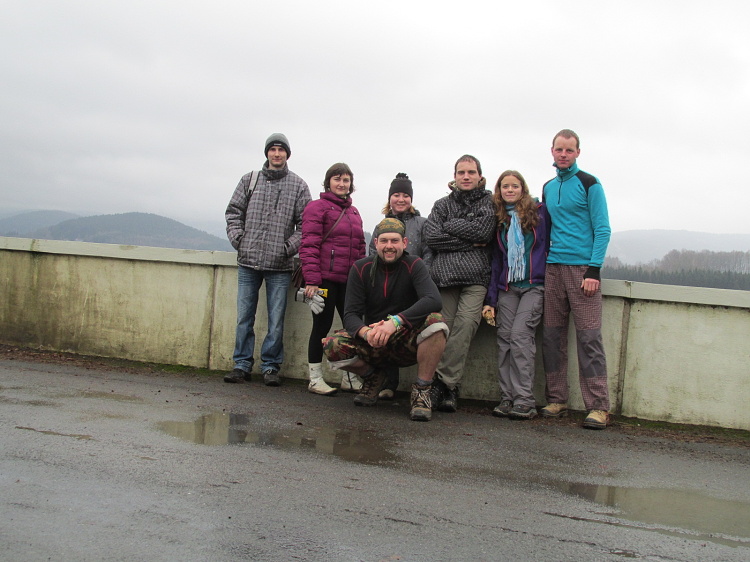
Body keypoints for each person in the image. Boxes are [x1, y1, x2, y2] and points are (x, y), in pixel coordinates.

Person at [322, 218, 448, 421]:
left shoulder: (414, 265)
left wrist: (395, 322)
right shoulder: (360, 268)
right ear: (376, 243)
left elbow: (433, 299)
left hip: (405, 340)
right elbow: (350, 314)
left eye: (394, 241)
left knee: (437, 324)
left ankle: (422, 391)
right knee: (332, 345)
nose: (389, 246)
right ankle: (373, 377)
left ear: (404, 243)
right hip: (373, 341)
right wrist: (366, 333)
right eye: (384, 241)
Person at [224, 133, 312, 386]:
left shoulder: (298, 185)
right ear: (267, 153)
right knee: (244, 318)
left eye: (281, 150)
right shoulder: (249, 180)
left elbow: (305, 225)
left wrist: (286, 249)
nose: (276, 154)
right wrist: (239, 240)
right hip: (248, 262)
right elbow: (233, 213)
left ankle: (271, 367)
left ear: (287, 154)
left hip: (280, 266)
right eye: (272, 149)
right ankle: (241, 365)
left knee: (276, 321)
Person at [541, 129, 612, 429]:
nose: (563, 154)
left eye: (569, 150)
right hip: (553, 269)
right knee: (552, 337)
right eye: (559, 149)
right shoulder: (548, 187)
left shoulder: (589, 183)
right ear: (552, 151)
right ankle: (557, 399)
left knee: (588, 338)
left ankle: (599, 407)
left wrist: (594, 270)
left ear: (578, 153)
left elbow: (603, 228)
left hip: (582, 270)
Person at [424, 155, 496, 412]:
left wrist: (451, 225)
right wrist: (470, 241)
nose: (466, 176)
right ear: (454, 176)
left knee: (465, 326)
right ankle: (449, 389)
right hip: (444, 278)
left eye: (471, 172)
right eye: (461, 172)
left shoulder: (489, 202)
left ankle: (443, 384)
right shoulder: (441, 204)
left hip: (476, 279)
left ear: (480, 176)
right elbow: (432, 237)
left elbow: (484, 232)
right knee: (442, 329)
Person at [482, 171, 550, 420]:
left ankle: (524, 401)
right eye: (505, 186)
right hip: (508, 288)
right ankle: (507, 398)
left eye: (515, 186)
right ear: (499, 191)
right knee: (504, 340)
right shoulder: (500, 219)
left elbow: (550, 244)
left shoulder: (539, 213)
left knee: (521, 336)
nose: (510, 190)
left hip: (534, 285)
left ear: (523, 189)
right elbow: (497, 261)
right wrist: (491, 300)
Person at [300, 163, 366, 396]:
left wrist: (361, 280)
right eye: (337, 179)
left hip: (349, 281)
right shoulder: (316, 207)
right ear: (328, 182)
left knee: (352, 328)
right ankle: (315, 379)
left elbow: (360, 248)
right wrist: (312, 281)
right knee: (321, 326)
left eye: (346, 180)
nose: (341, 183)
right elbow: (309, 245)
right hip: (324, 280)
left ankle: (349, 377)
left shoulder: (354, 212)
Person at [367, 172, 433, 400]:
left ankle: (423, 385)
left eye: (406, 195)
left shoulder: (422, 224)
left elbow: (428, 253)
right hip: (386, 287)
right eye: (396, 195)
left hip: (414, 288)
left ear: (411, 199)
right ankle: (388, 382)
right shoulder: (380, 226)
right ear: (390, 198)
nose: (401, 199)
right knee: (383, 330)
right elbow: (371, 255)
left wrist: (422, 277)